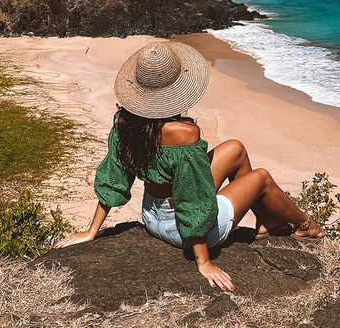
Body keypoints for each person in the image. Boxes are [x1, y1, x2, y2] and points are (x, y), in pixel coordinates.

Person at [53, 42, 325, 290]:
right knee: (262, 177)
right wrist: (204, 262)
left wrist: (92, 231)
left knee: (235, 148)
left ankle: (266, 223)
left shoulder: (125, 124)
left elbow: (115, 180)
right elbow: (192, 198)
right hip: (183, 230)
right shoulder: (183, 134)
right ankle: (306, 226)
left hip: (151, 217)